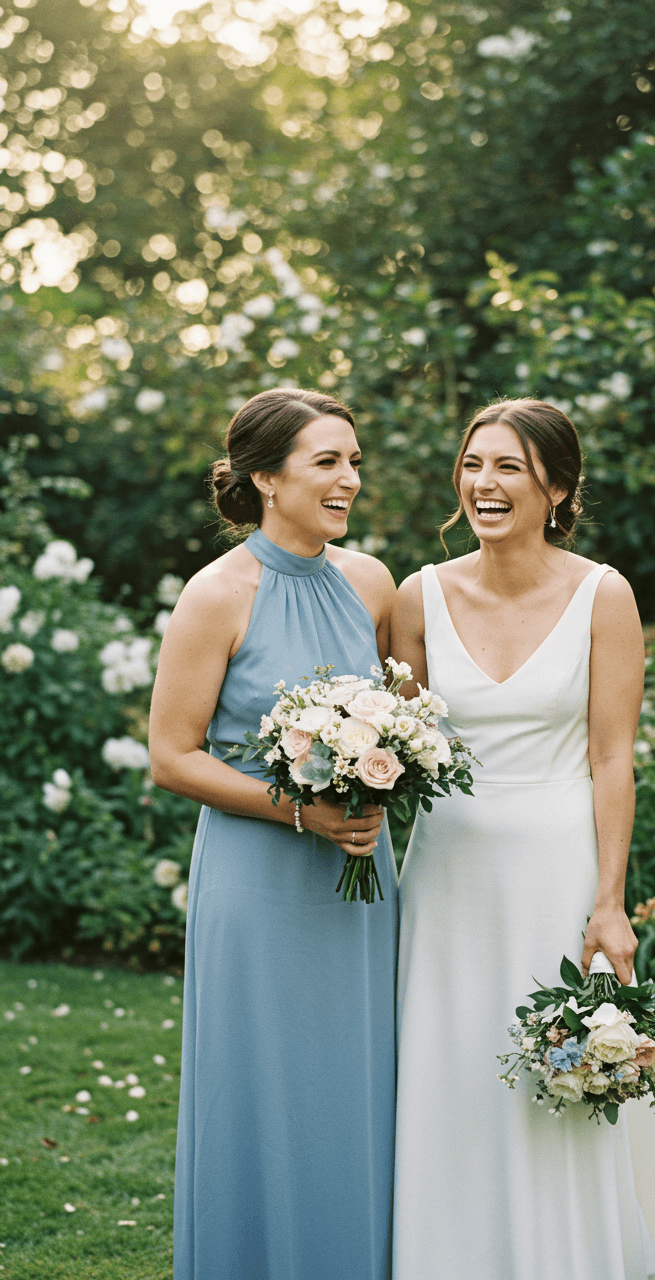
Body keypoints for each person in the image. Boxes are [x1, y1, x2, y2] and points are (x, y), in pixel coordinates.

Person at [391, 399, 655, 1280]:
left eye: (509, 468)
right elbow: (403, 744)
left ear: (557, 488)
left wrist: (609, 902)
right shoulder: (417, 593)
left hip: (556, 864)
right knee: (451, 1059)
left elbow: (613, 758)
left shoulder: (601, 593)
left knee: (565, 1067)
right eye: (472, 464)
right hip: (448, 868)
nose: (484, 485)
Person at [149, 388, 398, 1280]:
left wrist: (386, 772)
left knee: (354, 1083)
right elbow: (172, 756)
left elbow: (403, 719)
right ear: (266, 476)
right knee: (261, 1086)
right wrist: (300, 810)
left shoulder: (372, 582)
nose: (349, 480)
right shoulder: (216, 595)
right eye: (328, 462)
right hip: (259, 877)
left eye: (355, 461)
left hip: (361, 877)